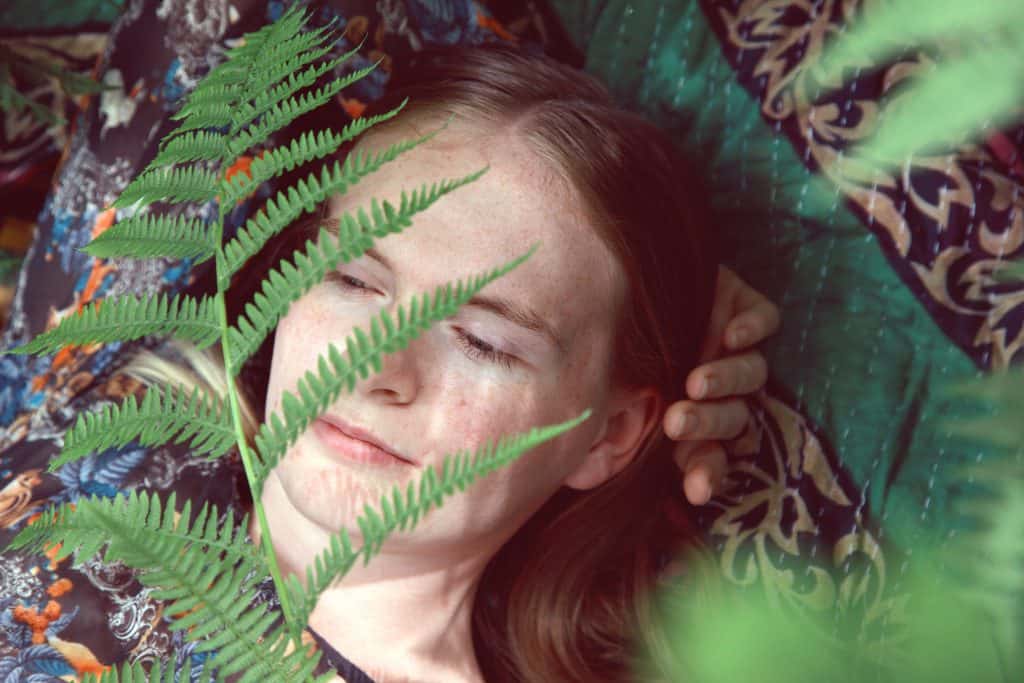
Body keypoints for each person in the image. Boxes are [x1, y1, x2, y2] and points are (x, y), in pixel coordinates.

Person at [0, 44, 778, 683]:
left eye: (484, 341)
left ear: (609, 433)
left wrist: (656, 302)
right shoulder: (114, 369)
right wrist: (687, 282)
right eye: (352, 277)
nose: (379, 366)